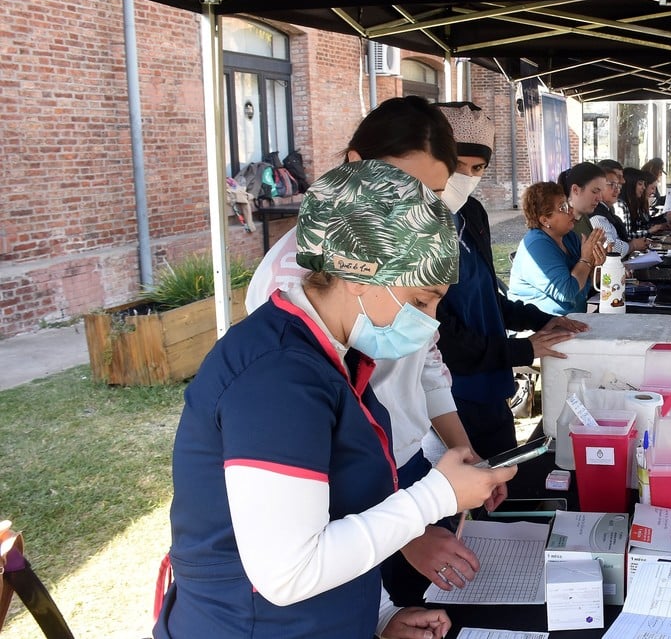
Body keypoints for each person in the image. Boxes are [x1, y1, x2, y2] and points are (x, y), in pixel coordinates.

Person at [157, 159, 517, 639]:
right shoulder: (277, 378)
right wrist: (437, 497)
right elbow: (287, 572)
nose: (431, 322)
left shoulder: (336, 358)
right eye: (420, 302)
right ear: (358, 275)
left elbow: (340, 512)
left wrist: (380, 616)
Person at [245, 96, 503, 605]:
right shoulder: (288, 319)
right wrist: (409, 527)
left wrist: (460, 449)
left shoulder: (407, 255)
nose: (418, 210)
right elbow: (298, 551)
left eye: (432, 193)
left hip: (404, 463)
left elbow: (427, 363)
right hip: (356, 489)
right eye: (402, 188)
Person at [431, 101, 589, 461]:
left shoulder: (471, 214)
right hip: (449, 393)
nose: (467, 177)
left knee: (504, 481)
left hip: (492, 383)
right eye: (458, 166)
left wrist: (540, 320)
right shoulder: (421, 225)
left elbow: (488, 296)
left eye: (478, 168)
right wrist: (522, 350)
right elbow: (443, 336)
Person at [508, 181, 606, 315]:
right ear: (544, 220)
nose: (571, 211)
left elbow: (582, 287)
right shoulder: (537, 246)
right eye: (563, 207)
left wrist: (597, 264)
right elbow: (567, 292)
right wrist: (586, 259)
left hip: (571, 321)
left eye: (568, 204)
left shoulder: (569, 237)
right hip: (539, 326)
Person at [592, 159, 649, 252]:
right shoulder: (597, 215)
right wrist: (633, 245)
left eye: (617, 186)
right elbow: (611, 248)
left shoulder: (607, 210)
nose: (618, 189)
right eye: (612, 184)